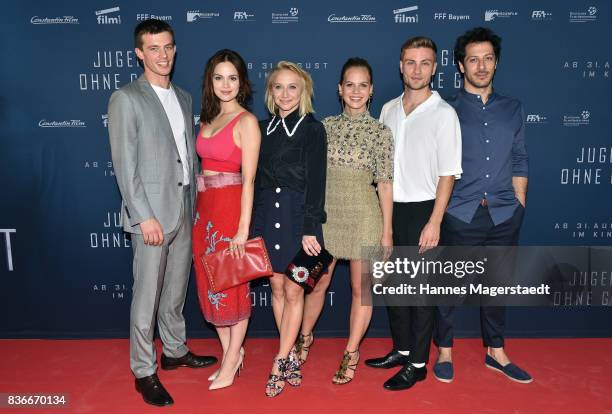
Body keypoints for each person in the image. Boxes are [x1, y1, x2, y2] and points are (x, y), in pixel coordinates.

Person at [107, 19, 217, 407]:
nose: (162, 55)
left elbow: (184, 157)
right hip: (151, 215)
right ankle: (143, 370)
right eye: (153, 48)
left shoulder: (184, 97)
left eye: (168, 46)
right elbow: (125, 165)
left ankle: (173, 351)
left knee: (175, 290)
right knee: (146, 295)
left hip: (185, 207)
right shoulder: (126, 98)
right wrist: (143, 216)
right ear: (139, 53)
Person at [433, 27, 532, 384]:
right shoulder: (446, 110)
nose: (481, 65)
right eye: (473, 59)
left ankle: (496, 351)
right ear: (460, 65)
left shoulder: (513, 107)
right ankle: (444, 349)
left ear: (496, 62)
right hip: (461, 213)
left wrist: (519, 203)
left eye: (487, 58)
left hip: (506, 213)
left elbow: (520, 158)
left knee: (497, 286)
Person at [364, 36, 463, 391]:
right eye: (410, 62)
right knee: (393, 289)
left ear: (435, 68)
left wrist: (435, 221)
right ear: (401, 66)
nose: (416, 69)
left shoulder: (444, 114)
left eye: (424, 63)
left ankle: (419, 364)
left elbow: (448, 173)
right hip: (389, 209)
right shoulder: (388, 109)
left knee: (420, 293)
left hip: (425, 211)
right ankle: (403, 350)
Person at [295, 57, 394, 384]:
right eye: (349, 84)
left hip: (365, 215)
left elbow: (385, 182)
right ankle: (304, 339)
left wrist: (387, 233)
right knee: (317, 282)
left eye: (362, 85)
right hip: (327, 216)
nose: (355, 91)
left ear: (371, 91)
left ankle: (352, 352)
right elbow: (310, 178)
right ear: (339, 89)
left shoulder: (381, 132)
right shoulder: (323, 127)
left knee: (361, 288)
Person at [251, 61, 327, 397]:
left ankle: (280, 358)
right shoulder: (259, 128)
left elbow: (317, 184)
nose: (285, 94)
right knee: (278, 290)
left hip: (302, 225)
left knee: (295, 291)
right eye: (278, 87)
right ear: (270, 92)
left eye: (292, 87)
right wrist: (253, 229)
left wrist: (310, 228)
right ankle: (292, 357)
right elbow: (252, 184)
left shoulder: (313, 130)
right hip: (268, 221)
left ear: (304, 91)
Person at [191, 49, 261, 390]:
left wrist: (242, 230)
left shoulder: (246, 122)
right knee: (211, 285)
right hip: (204, 211)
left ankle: (232, 360)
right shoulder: (206, 119)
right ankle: (231, 352)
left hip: (230, 210)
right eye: (219, 77)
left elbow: (249, 181)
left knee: (233, 286)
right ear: (210, 81)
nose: (225, 84)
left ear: (242, 82)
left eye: (232, 77)